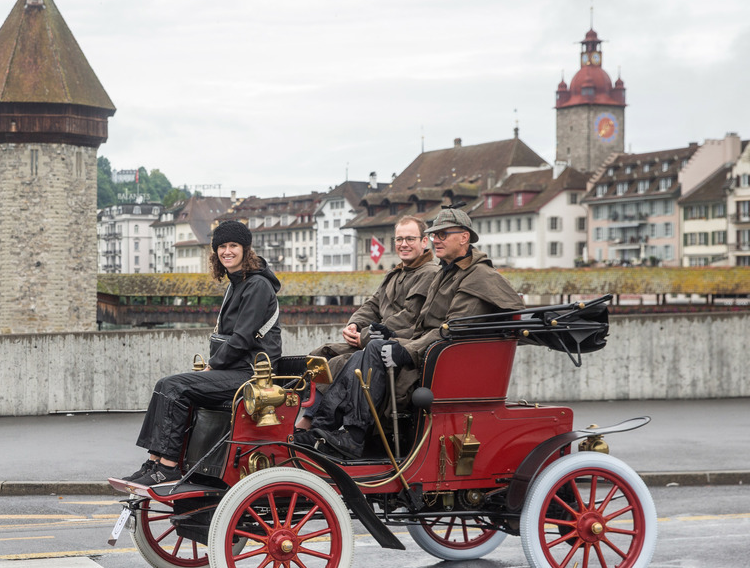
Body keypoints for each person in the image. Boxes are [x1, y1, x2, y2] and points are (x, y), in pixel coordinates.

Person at [296, 207, 523, 459]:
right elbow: (414, 321)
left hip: (442, 360)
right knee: (336, 353)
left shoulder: (476, 277)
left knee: (371, 350)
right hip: (430, 350)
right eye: (435, 234)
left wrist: (404, 348)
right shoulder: (448, 272)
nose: (436, 240)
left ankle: (351, 434)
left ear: (464, 237)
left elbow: (452, 329)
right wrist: (382, 332)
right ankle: (322, 428)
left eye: (443, 234)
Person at [123, 219, 282, 486]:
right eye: (221, 247)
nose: (227, 251)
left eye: (233, 246)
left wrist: (213, 365)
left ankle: (168, 467)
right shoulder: (237, 283)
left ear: (245, 249)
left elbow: (242, 339)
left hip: (252, 375)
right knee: (164, 385)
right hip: (235, 369)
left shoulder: (257, 285)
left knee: (174, 386)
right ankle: (153, 462)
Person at [301, 215, 437, 427]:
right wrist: (354, 324)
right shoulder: (396, 273)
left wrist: (363, 337)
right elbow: (373, 305)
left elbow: (408, 318)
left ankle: (313, 423)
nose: (403, 244)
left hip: (396, 346)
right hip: (374, 339)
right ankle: (308, 415)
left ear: (424, 241)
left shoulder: (429, 273)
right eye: (399, 239)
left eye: (410, 239)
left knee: (338, 363)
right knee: (321, 355)